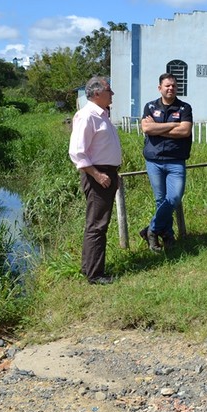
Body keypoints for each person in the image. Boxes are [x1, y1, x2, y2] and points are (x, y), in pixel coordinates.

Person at [68, 76, 123, 284]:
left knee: (98, 222)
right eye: (109, 90)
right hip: (98, 175)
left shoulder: (102, 115)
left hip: (106, 172)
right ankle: (95, 274)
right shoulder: (87, 116)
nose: (112, 94)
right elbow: (77, 152)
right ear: (97, 93)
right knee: (97, 225)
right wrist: (97, 175)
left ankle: (89, 267)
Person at [139, 73, 193, 251]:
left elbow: (185, 131)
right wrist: (172, 125)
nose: (171, 88)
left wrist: (157, 129)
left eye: (174, 86)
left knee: (174, 197)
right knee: (160, 200)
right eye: (167, 86)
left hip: (176, 161)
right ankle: (168, 235)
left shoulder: (184, 108)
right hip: (154, 161)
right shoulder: (150, 106)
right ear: (159, 88)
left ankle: (151, 230)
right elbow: (146, 128)